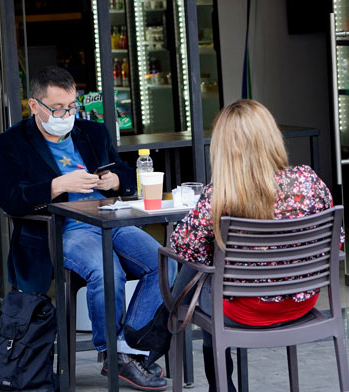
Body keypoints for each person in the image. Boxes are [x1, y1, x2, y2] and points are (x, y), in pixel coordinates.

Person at [125, 99, 343, 392]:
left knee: (205, 277)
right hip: (302, 302)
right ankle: (162, 335)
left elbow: (181, 249)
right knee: (211, 276)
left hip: (244, 311)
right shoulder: (309, 180)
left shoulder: (221, 194)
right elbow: (336, 241)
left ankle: (173, 344)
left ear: (224, 147)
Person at [0, 66, 172, 391]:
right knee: (107, 270)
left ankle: (130, 346)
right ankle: (113, 359)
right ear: (34, 106)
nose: (67, 114)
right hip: (64, 229)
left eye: (72, 107)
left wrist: (115, 180)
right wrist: (58, 185)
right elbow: (11, 199)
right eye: (58, 109)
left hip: (111, 220)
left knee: (164, 262)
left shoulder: (93, 132)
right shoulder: (11, 143)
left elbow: (125, 176)